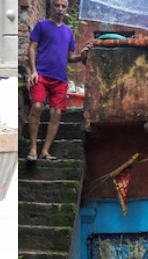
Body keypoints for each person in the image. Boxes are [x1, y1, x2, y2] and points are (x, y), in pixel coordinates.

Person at [26, 0, 91, 162]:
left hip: (60, 78)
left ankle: (45, 151)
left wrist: (82, 56)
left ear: (66, 8)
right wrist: (33, 70)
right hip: (41, 74)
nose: (60, 9)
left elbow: (71, 57)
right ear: (52, 7)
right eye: (57, 5)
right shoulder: (42, 25)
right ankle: (33, 148)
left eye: (63, 6)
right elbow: (32, 47)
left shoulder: (68, 32)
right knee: (37, 106)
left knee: (56, 113)